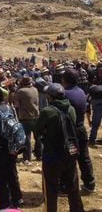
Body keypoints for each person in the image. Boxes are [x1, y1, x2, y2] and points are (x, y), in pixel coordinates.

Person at [34, 83, 84, 212]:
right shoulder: (71, 108)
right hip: (70, 151)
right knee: (73, 186)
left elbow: (37, 129)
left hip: (52, 155)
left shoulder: (47, 111)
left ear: (51, 97)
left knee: (51, 189)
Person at [0, 87, 23, 209]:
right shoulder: (9, 108)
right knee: (12, 173)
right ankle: (17, 199)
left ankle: (5, 203)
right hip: (11, 146)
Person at [62, 69, 96, 193]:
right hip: (81, 128)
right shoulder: (81, 91)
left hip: (70, 132)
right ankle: (89, 184)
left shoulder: (65, 94)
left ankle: (67, 186)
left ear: (64, 80)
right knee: (84, 157)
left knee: (68, 158)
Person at [13, 75, 40, 165]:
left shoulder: (20, 91)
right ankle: (39, 154)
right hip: (36, 116)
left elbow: (16, 105)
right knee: (38, 137)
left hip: (25, 117)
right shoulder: (35, 89)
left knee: (27, 138)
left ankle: (27, 157)